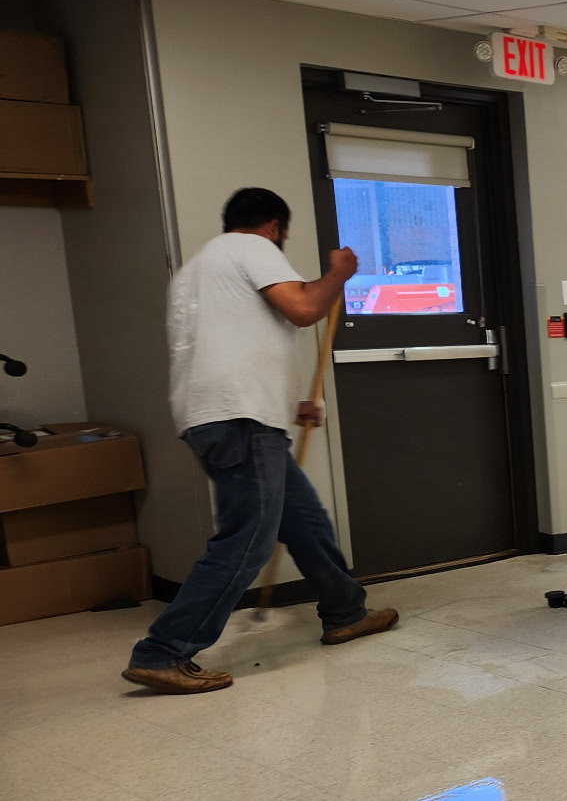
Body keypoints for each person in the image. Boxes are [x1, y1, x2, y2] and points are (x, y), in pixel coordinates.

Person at [122, 188, 397, 694]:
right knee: (248, 538)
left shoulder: (195, 272)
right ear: (273, 227)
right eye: (283, 237)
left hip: (221, 416)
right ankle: (163, 651)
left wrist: (287, 405)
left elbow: (228, 345)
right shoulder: (251, 247)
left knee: (305, 522)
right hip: (240, 419)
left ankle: (346, 612)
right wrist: (338, 273)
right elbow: (302, 308)